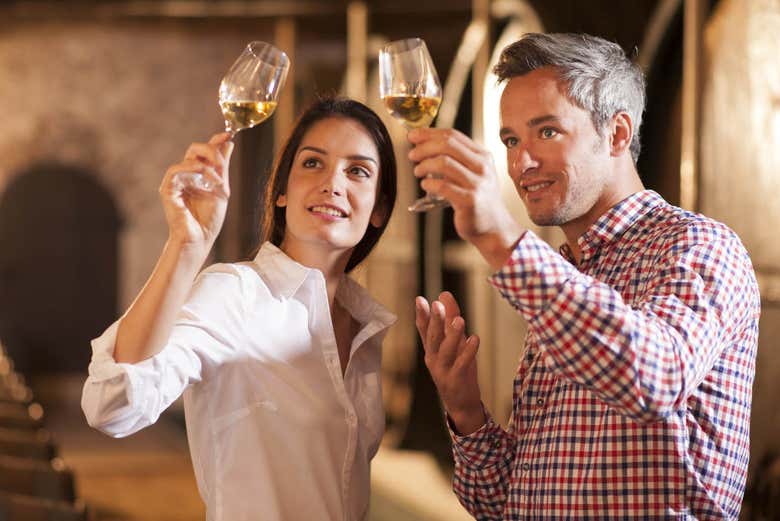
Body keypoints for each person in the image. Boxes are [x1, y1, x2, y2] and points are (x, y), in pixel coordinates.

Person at [410, 33, 759, 520]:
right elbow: (505, 506)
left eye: (546, 132)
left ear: (617, 134)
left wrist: (501, 238)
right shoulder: (568, 271)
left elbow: (653, 380)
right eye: (511, 139)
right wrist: (466, 411)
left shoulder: (698, 246)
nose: (520, 163)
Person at [81, 97, 398, 521]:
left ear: (378, 208)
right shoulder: (236, 294)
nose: (333, 183)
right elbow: (113, 405)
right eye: (312, 164)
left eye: (357, 171)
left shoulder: (365, 328)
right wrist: (186, 246)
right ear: (281, 191)